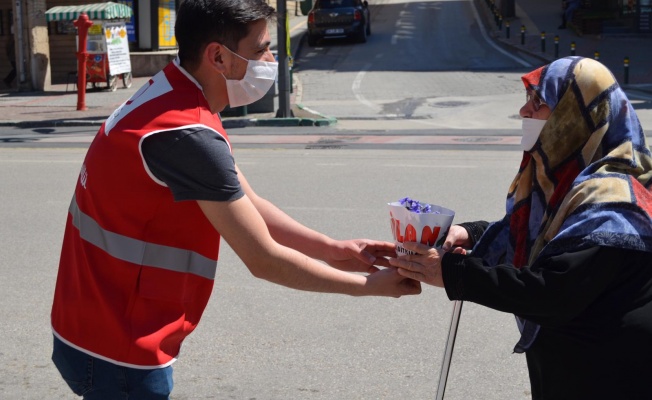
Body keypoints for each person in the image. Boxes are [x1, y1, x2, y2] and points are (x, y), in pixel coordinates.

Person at [50, 0, 421, 398]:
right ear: (218, 57)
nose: (271, 59)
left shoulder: (171, 94)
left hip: (88, 324)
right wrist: (369, 286)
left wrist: (331, 249)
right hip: (121, 351)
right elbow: (263, 260)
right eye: (261, 48)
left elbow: (245, 200)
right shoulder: (187, 134)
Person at [390, 56, 652, 399]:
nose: (524, 111)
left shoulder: (614, 197)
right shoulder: (573, 182)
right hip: (575, 366)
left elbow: (552, 289)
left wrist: (454, 273)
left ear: (573, 117)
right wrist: (469, 233)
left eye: (538, 102)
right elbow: (539, 232)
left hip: (610, 373)